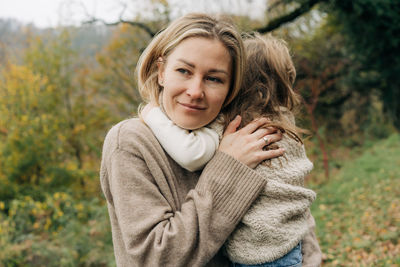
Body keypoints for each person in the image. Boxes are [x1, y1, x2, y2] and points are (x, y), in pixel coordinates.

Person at [100, 13, 308, 266]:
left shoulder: (239, 131)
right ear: (161, 71)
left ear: (231, 87)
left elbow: (287, 214)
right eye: (184, 71)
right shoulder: (132, 141)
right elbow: (154, 258)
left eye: (214, 79)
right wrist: (230, 167)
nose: (196, 91)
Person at [141, 33, 322, 267]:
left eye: (215, 79)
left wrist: (152, 113)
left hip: (258, 254)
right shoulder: (285, 123)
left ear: (236, 84)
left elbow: (190, 153)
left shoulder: (234, 126)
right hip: (290, 246)